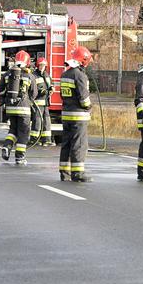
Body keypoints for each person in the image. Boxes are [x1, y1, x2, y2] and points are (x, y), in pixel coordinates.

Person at [59, 46, 94, 182]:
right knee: (79, 144)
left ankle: (64, 173)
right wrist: (89, 106)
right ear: (83, 60)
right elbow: (84, 99)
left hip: (66, 114)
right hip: (79, 116)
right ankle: (78, 173)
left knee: (66, 144)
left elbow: (63, 95)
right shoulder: (80, 75)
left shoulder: (65, 74)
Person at [0, 50, 38, 165]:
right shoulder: (29, 75)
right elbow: (34, 94)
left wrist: (6, 96)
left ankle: (6, 147)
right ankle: (19, 157)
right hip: (24, 109)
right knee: (24, 132)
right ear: (27, 62)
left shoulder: (8, 74)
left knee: (13, 130)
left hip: (10, 108)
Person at [31, 56, 55, 146]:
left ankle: (46, 140)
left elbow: (50, 83)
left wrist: (52, 88)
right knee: (37, 121)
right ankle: (34, 140)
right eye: (41, 65)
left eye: (44, 65)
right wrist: (44, 91)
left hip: (45, 102)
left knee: (46, 121)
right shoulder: (34, 75)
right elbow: (34, 88)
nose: (42, 67)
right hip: (38, 102)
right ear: (38, 65)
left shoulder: (46, 75)